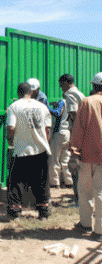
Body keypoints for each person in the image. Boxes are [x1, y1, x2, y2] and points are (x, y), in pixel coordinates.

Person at [6, 82, 52, 220]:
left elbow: (11, 127)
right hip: (40, 150)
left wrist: (10, 140)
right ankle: (43, 212)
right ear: (31, 92)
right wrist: (44, 143)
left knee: (16, 182)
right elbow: (47, 129)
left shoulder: (14, 107)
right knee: (42, 182)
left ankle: (15, 212)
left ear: (18, 93)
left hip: (22, 151)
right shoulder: (42, 107)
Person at [70, 72, 102, 240]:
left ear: (94, 85)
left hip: (88, 155)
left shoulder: (88, 102)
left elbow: (79, 128)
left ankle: (85, 224)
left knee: (85, 191)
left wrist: (74, 151)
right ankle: (99, 231)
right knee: (101, 192)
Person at [59, 74, 85, 204]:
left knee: (74, 166)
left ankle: (79, 199)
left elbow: (73, 114)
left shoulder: (70, 94)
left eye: (61, 84)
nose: (60, 87)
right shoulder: (80, 93)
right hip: (85, 133)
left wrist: (74, 138)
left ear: (67, 83)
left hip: (77, 134)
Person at [47, 96, 73, 188]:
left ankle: (55, 183)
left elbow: (57, 113)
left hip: (59, 132)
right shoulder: (72, 102)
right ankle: (69, 182)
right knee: (65, 160)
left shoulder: (63, 101)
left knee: (54, 159)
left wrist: (47, 107)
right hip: (68, 132)